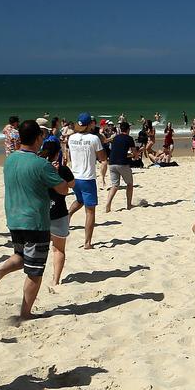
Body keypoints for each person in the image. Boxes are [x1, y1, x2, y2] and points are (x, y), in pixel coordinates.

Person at [0, 120, 70, 319]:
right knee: (35, 271)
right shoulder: (41, 164)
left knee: (22, 257)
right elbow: (63, 189)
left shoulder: (10, 160)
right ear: (39, 137)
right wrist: (58, 175)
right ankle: (25, 313)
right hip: (36, 221)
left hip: (14, 218)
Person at [67, 113, 107, 250]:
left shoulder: (71, 138)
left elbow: (70, 154)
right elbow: (102, 157)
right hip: (87, 177)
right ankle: (87, 242)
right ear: (90, 124)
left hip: (74, 177)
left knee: (79, 200)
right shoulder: (94, 138)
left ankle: (68, 215)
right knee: (90, 211)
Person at [40, 141, 75, 286]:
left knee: (40, 249)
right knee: (58, 249)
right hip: (58, 212)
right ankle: (55, 280)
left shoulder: (38, 168)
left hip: (40, 214)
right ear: (57, 154)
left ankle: (37, 278)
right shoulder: (63, 170)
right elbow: (72, 185)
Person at [105, 122, 135, 213]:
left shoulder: (115, 138)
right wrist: (136, 153)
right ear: (128, 129)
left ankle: (108, 204)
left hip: (111, 163)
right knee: (129, 184)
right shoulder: (129, 138)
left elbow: (117, 151)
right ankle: (129, 205)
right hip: (122, 164)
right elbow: (134, 154)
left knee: (114, 185)